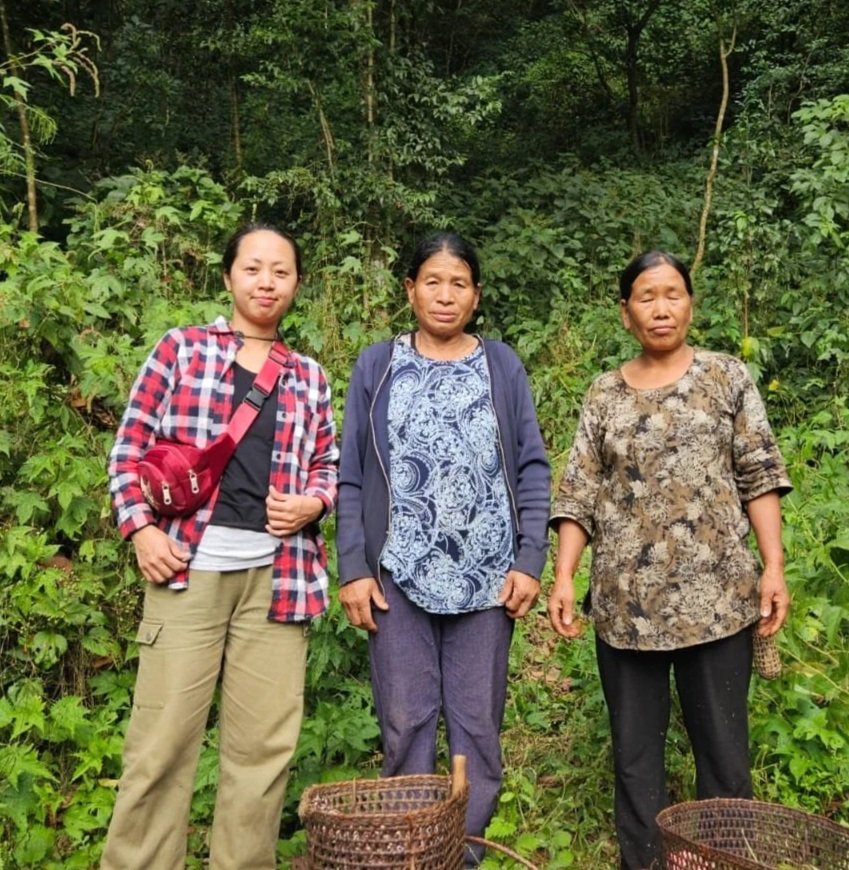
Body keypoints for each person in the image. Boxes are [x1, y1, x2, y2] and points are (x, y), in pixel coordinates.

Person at [101, 224, 338, 870]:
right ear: (230, 275)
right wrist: (141, 530)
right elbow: (128, 449)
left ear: (296, 283)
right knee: (160, 748)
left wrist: (314, 503)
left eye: (281, 271)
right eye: (253, 268)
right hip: (186, 572)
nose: (267, 282)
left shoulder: (309, 376)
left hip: (277, 582)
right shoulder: (181, 350)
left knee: (261, 754)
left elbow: (327, 463)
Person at [548, 250, 792, 870]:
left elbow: (759, 474)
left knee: (724, 754)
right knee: (635, 759)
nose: (661, 308)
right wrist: (565, 576)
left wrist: (773, 566)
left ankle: (724, 858)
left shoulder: (726, 376)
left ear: (690, 303)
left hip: (720, 601)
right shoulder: (604, 393)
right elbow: (578, 491)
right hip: (626, 610)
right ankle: (646, 862)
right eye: (646, 297)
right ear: (625, 312)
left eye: (673, 294)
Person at [336, 232, 550, 864]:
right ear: (410, 290)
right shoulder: (377, 366)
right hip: (396, 575)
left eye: (459, 283)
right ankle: (410, 854)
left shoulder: (501, 365)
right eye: (432, 281)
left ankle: (461, 854)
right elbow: (352, 474)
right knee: (405, 721)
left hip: (487, 578)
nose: (445, 295)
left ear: (476, 295)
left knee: (477, 727)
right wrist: (353, 567)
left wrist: (529, 560)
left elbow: (532, 467)